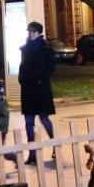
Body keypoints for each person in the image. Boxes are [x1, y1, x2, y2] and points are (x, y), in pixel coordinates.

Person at [18, 21, 56, 166]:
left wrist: (41, 77)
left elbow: (51, 67)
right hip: (28, 89)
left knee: (44, 118)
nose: (31, 34)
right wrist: (21, 79)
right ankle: (32, 153)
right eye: (29, 31)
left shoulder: (45, 48)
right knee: (28, 121)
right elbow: (22, 66)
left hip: (40, 88)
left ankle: (55, 146)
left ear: (39, 32)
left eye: (33, 31)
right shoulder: (25, 48)